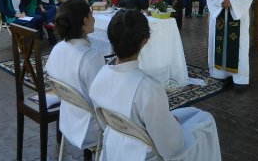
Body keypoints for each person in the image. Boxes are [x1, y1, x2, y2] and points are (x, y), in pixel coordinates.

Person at [89, 10, 221, 161]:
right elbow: (171, 148)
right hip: (144, 154)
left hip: (113, 146)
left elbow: (104, 122)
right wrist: (173, 127)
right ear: (145, 41)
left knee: (193, 114)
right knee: (206, 123)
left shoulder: (99, 76)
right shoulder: (149, 89)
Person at [45, 0, 105, 150]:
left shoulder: (57, 48)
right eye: (91, 15)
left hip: (67, 121)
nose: (94, 18)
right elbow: (103, 101)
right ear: (85, 21)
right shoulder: (90, 58)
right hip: (90, 129)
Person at [206, 0, 254, 91]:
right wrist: (221, 2)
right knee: (219, 44)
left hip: (237, 16)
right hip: (219, 14)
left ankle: (240, 79)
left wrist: (232, 3)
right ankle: (220, 75)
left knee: (238, 46)